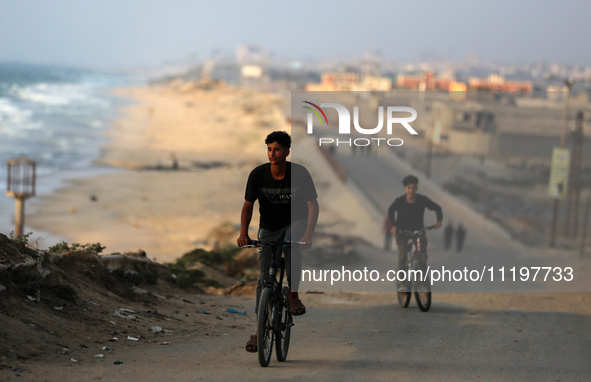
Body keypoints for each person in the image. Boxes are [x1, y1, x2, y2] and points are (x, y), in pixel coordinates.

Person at [237, 131, 319, 353]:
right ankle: (259, 327)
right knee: (264, 280)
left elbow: (313, 205)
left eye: (277, 149)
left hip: (296, 221)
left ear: (287, 151)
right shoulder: (258, 175)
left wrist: (308, 234)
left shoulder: (300, 174)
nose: (272, 154)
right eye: (269, 149)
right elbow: (248, 205)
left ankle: (293, 295)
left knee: (292, 246)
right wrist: (244, 232)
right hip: (269, 227)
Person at [387, 175, 443, 293]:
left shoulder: (422, 200)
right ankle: (402, 282)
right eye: (409, 188)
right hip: (402, 233)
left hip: (418, 233)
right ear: (405, 189)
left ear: (417, 188)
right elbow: (391, 211)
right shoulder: (400, 201)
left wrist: (439, 220)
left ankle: (421, 275)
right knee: (402, 254)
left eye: (414, 188)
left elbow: (437, 208)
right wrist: (393, 225)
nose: (411, 190)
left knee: (421, 253)